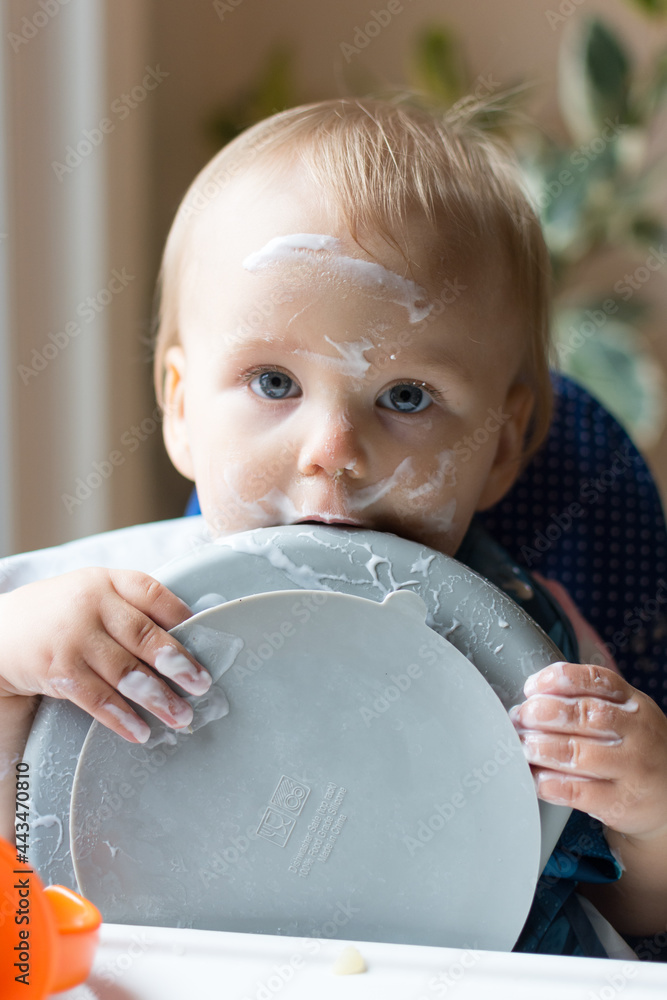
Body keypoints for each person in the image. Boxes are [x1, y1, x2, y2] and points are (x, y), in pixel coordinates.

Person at [1, 97, 666, 957]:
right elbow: (22, 862)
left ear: (502, 445)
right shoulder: (92, 619)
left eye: (405, 397)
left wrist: (646, 806)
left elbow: (633, 914)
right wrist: (14, 669)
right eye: (274, 383)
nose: (334, 452)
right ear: (181, 408)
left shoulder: (541, 649)